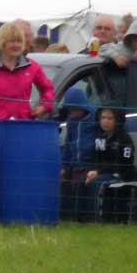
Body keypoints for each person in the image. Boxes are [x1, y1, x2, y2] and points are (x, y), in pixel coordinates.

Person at [0, 22, 53, 154]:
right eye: (11, 41)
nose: (16, 45)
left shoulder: (32, 67)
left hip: (22, 129)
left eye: (19, 41)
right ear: (1, 42)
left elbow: (48, 89)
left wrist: (44, 106)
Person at [82, 107, 137, 222]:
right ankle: (81, 218)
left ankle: (97, 219)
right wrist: (91, 171)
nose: (105, 121)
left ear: (117, 120)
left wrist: (98, 172)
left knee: (97, 183)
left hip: (121, 174)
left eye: (109, 118)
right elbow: (96, 159)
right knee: (81, 180)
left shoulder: (124, 139)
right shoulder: (100, 138)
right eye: (103, 118)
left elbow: (123, 163)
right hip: (103, 172)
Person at [56, 86, 95, 221]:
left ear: (82, 107)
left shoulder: (95, 120)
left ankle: (83, 218)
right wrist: (64, 166)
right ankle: (70, 217)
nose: (71, 113)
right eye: (69, 110)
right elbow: (67, 145)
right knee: (68, 187)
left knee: (81, 188)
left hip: (90, 164)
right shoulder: (71, 122)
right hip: (74, 165)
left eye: (74, 109)